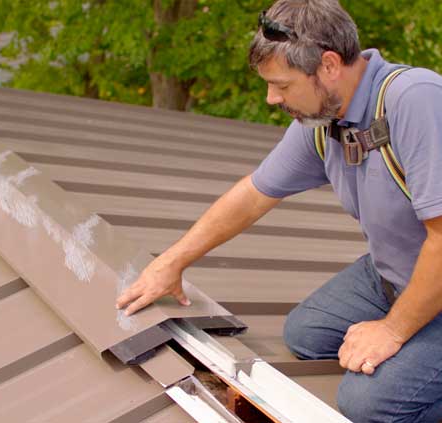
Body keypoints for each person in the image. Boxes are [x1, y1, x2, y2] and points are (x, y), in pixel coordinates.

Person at [116, 0, 442, 421]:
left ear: (328, 66)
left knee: (368, 405)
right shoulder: (327, 123)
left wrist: (394, 331)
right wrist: (171, 262)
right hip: (397, 272)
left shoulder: (414, 101)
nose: (272, 98)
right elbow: (253, 195)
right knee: (305, 333)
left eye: (283, 85)